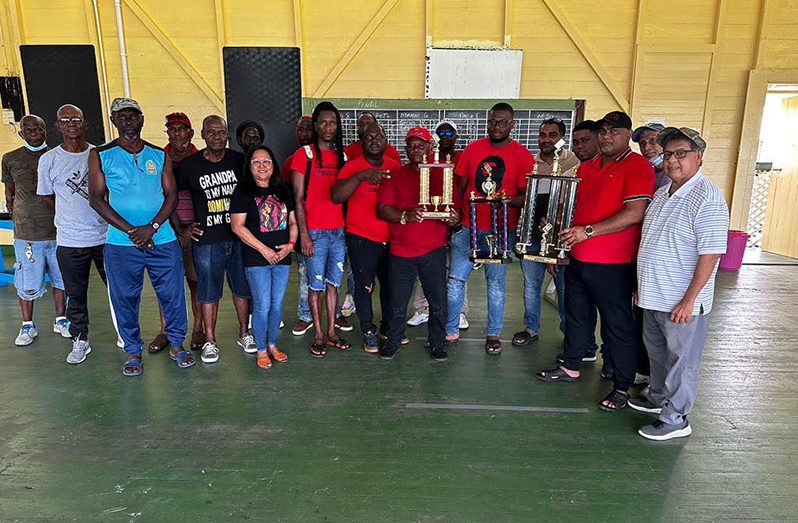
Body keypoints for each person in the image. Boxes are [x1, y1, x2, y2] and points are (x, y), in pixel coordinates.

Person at [537, 111, 654, 413]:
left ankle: (622, 385)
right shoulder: (587, 168)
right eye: (603, 131)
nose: (606, 136)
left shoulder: (637, 166)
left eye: (614, 131)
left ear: (628, 134)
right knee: (577, 317)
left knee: (617, 327)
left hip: (613, 264)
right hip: (578, 258)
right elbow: (574, 209)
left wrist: (588, 232)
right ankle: (571, 365)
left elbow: (635, 213)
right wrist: (553, 228)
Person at [630, 127, 728, 440]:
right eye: (669, 153)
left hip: (681, 301)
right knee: (657, 355)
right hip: (653, 295)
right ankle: (658, 398)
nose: (673, 160)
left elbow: (710, 255)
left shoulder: (708, 197)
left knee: (681, 362)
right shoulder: (663, 193)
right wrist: (641, 287)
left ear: (698, 157)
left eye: (681, 153)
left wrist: (689, 300)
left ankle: (676, 418)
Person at [89, 97, 193, 376]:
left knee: (172, 294)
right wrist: (132, 231)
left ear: (142, 119)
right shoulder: (101, 154)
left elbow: (171, 195)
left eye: (133, 115)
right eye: (121, 116)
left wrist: (154, 227)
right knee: (125, 297)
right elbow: (97, 199)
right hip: (121, 243)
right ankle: (133, 350)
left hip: (163, 239)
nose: (128, 121)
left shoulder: (159, 154)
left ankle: (176, 344)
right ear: (113, 121)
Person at [446, 102, 535, 355]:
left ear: (512, 124)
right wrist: (459, 214)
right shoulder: (473, 150)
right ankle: (450, 329)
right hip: (468, 227)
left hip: (500, 230)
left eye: (503, 122)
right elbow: (461, 186)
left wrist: (505, 201)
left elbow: (525, 196)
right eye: (493, 121)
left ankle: (493, 333)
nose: (497, 126)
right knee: (455, 282)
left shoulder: (522, 155)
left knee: (495, 285)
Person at [377, 127, 460, 361]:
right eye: (411, 146)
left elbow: (456, 210)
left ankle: (437, 341)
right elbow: (382, 209)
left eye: (420, 145)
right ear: (405, 150)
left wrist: (455, 218)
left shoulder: (442, 174)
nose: (416, 150)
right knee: (397, 301)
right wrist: (405, 215)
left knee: (438, 301)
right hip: (401, 251)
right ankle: (393, 340)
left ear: (430, 148)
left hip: (433, 250)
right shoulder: (395, 175)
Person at [176, 115, 253, 364]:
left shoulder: (239, 162)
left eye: (221, 132)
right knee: (208, 292)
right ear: (203, 135)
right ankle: (210, 341)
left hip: (239, 237)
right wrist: (182, 228)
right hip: (207, 240)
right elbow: (168, 193)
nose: (217, 137)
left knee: (242, 288)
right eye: (212, 132)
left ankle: (245, 333)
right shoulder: (190, 166)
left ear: (227, 135)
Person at [36, 104, 109, 364]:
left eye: (76, 119)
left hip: (104, 237)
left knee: (117, 291)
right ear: (57, 126)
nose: (71, 123)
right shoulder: (49, 159)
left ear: (85, 124)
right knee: (75, 294)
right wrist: (69, 216)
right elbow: (46, 196)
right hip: (70, 240)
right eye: (65, 120)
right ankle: (80, 339)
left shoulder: (99, 154)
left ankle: (127, 336)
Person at [332, 122, 400, 352]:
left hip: (391, 239)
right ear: (362, 142)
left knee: (391, 287)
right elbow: (336, 196)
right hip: (362, 238)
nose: (374, 140)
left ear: (386, 141)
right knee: (364, 287)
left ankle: (386, 327)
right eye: (369, 137)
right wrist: (361, 176)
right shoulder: (352, 167)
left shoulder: (394, 166)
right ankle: (368, 330)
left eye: (378, 136)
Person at [290, 101, 350, 356]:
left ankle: (332, 332)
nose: (328, 127)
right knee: (315, 285)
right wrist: (304, 235)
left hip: (338, 233)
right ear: (315, 125)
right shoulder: (305, 155)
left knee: (334, 283)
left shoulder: (343, 157)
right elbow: (298, 198)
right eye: (323, 122)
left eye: (332, 122)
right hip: (314, 232)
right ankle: (317, 334)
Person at [2, 114, 68, 346]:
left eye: (39, 129)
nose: (35, 133)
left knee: (62, 279)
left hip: (60, 230)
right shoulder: (10, 158)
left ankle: (61, 320)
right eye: (29, 130)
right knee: (27, 280)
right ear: (21, 134)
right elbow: (9, 193)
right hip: (27, 231)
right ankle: (27, 325)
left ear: (46, 131)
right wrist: (18, 214)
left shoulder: (58, 156)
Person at [513, 117, 579, 347]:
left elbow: (568, 203)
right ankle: (531, 329)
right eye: (543, 135)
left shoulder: (573, 162)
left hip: (560, 238)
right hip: (531, 236)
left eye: (553, 135)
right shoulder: (532, 164)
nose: (547, 140)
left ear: (562, 137)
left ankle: (568, 332)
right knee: (531, 286)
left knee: (563, 288)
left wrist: (555, 233)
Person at [231, 145, 297, 369]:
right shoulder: (243, 192)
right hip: (257, 259)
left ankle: (272, 345)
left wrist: (290, 245)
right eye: (256, 162)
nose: (262, 166)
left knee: (277, 305)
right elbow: (238, 227)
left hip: (282, 258)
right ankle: (261, 349)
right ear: (249, 166)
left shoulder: (283, 190)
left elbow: (294, 222)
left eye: (266, 161)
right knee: (262, 305)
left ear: (273, 165)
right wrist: (264, 250)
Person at [147, 112, 204, 353]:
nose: (178, 133)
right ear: (167, 132)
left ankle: (198, 328)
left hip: (196, 230)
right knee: (167, 285)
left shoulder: (201, 158)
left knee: (196, 283)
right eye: (172, 129)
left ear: (190, 133)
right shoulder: (159, 158)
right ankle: (166, 331)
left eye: (182, 129)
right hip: (166, 231)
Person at [407, 120, 470, 330]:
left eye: (449, 132)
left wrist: (457, 215)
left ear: (456, 136)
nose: (445, 136)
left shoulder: (462, 158)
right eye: (441, 132)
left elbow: (463, 188)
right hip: (430, 221)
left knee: (457, 268)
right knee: (425, 267)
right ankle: (423, 309)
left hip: (456, 219)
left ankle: (459, 312)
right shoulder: (428, 160)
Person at [632, 120, 668, 190]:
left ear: (666, 142)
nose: (646, 148)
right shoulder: (646, 173)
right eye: (642, 143)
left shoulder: (676, 174)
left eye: (653, 140)